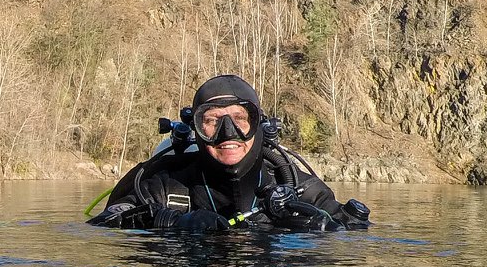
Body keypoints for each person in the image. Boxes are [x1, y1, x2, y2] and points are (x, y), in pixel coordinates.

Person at [88, 74, 369, 232]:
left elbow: (353, 234)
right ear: (197, 129)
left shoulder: (296, 187)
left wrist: (314, 225)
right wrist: (171, 221)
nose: (228, 134)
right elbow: (106, 222)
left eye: (239, 119)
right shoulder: (166, 185)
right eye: (212, 121)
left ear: (259, 125)